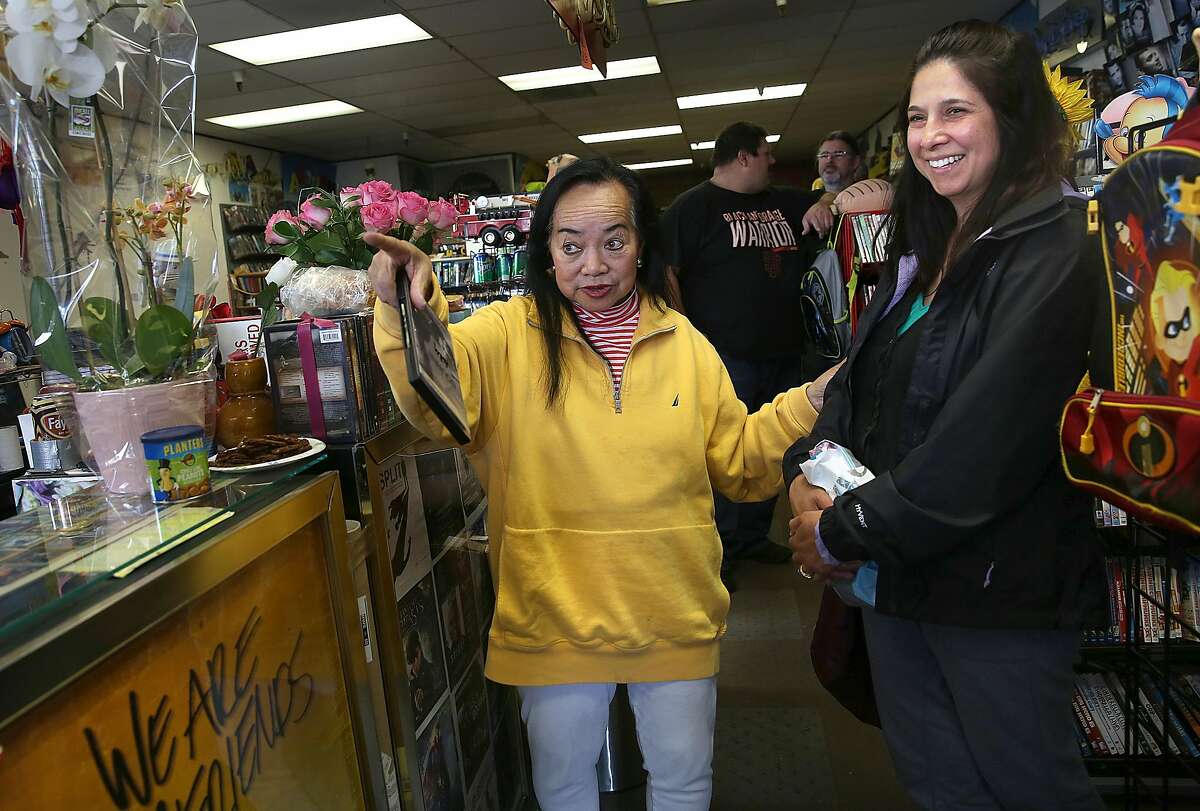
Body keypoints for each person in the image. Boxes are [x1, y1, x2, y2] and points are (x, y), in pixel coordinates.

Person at [368, 157, 835, 811]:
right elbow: (440, 400)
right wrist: (407, 308)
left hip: (672, 604)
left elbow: (741, 463)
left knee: (683, 782)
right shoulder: (506, 333)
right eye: (571, 244)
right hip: (553, 609)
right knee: (563, 788)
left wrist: (809, 399)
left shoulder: (684, 342)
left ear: (641, 244)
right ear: (547, 251)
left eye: (614, 241)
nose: (594, 264)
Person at [785, 20, 1107, 810]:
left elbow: (982, 447)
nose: (931, 137)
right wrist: (805, 481)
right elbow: (853, 391)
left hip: (997, 596)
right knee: (940, 786)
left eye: (955, 112)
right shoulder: (929, 251)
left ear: (1012, 117)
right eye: (919, 117)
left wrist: (834, 531)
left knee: (1031, 789)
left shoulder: (1058, 249)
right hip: (896, 583)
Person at [661, 121, 836, 590]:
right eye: (765, 153)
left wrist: (823, 204)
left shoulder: (785, 199)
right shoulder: (691, 207)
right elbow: (667, 271)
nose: (772, 161)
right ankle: (720, 550)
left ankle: (755, 536)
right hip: (723, 357)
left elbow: (841, 196)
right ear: (742, 157)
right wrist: (685, 335)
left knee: (775, 451)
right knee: (724, 454)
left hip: (784, 350)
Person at [815, 130, 865, 194]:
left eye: (838, 154)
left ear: (855, 161)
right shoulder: (806, 202)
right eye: (824, 155)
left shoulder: (870, 197)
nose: (829, 160)